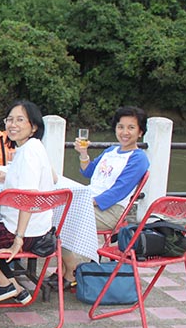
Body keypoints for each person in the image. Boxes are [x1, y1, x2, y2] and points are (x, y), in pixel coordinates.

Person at [57, 106, 150, 284]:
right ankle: (66, 269)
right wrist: (83, 153)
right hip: (89, 203)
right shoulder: (111, 151)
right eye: (120, 127)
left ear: (140, 132)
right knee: (54, 214)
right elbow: (88, 172)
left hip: (111, 210)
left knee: (62, 220)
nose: (125, 132)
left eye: (131, 128)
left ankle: (72, 269)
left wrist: (87, 202)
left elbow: (119, 191)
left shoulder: (138, 158)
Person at [0, 100, 54, 304]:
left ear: (33, 127)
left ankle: (3, 285)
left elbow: (29, 198)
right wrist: (7, 176)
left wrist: (18, 239)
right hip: (41, 228)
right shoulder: (33, 147)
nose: (12, 125)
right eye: (9, 120)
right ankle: (16, 288)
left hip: (25, 231)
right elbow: (52, 177)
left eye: (20, 120)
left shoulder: (29, 152)